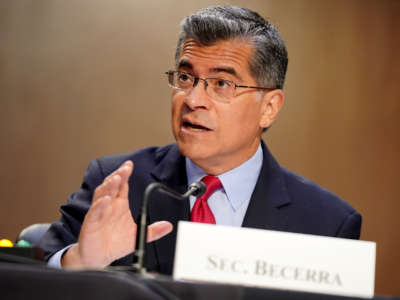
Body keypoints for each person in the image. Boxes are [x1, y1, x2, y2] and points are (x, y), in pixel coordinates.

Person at [40, 5, 361, 274]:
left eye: (221, 83)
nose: (193, 99)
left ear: (269, 107)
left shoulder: (327, 223)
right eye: (185, 78)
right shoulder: (119, 185)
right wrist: (81, 261)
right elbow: (30, 274)